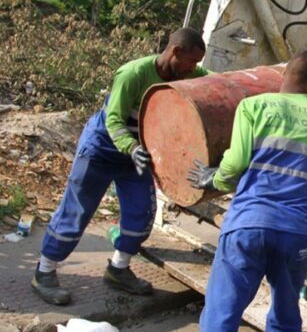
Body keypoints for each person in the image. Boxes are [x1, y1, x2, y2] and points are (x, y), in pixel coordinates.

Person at [32, 27, 210, 305]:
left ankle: (118, 269)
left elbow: (216, 81)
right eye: (191, 62)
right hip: (102, 149)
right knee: (76, 211)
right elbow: (114, 120)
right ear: (175, 52)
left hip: (135, 156)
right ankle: (44, 272)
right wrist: (133, 148)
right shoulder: (133, 74)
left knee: (141, 213)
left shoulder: (186, 74)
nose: (193, 69)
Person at [188, 50, 307, 332]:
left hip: (247, 225)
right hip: (295, 233)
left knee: (222, 312)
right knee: (285, 316)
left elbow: (234, 163)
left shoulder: (252, 106)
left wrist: (215, 181)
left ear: (283, 75)